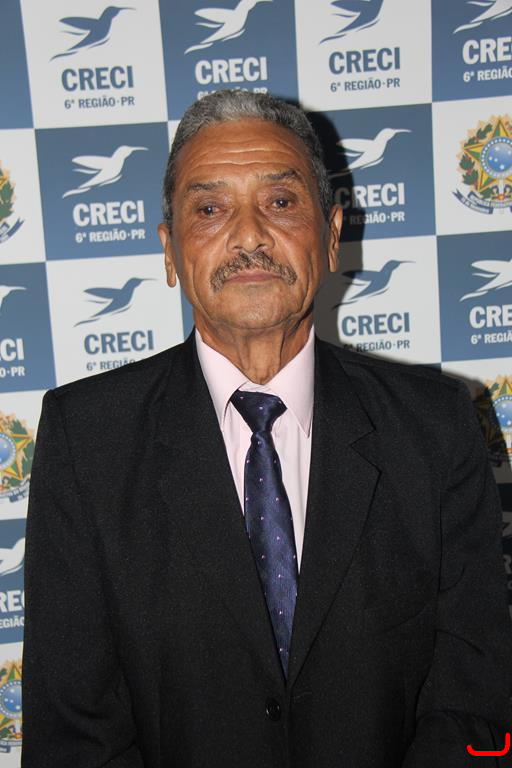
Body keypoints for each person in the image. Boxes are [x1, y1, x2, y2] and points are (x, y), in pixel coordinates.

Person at [22, 90, 512, 768]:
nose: (248, 235)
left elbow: (474, 696)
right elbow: (74, 733)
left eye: (280, 202)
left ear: (332, 235)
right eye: (210, 209)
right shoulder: (87, 440)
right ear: (170, 251)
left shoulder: (436, 427)